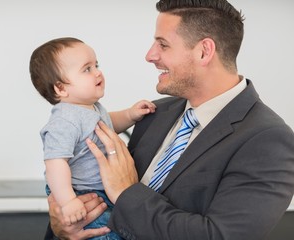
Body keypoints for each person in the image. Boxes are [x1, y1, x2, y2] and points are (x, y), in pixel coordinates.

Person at [45, 1, 294, 239]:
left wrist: (125, 193)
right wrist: (62, 227)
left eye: (162, 45)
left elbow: (218, 236)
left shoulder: (269, 141)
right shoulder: (155, 112)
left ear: (204, 51)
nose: (150, 56)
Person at [29, 37, 156, 239]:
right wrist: (69, 201)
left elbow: (107, 125)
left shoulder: (90, 108)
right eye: (86, 69)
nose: (97, 72)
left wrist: (130, 115)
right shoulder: (65, 120)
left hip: (102, 190)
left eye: (96, 65)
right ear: (60, 88)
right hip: (81, 192)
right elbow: (55, 163)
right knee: (106, 233)